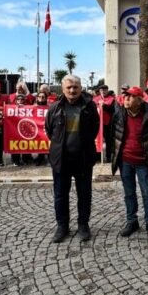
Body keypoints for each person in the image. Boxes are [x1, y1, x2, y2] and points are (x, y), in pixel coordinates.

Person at [44, 74, 100, 243]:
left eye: (75, 87)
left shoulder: (89, 107)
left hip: (83, 159)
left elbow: (94, 129)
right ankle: (62, 226)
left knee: (84, 194)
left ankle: (83, 225)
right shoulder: (54, 108)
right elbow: (49, 130)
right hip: (61, 160)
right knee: (60, 195)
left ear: (81, 88)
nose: (72, 90)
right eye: (68, 87)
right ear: (63, 89)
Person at [111, 86, 148, 238]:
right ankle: (131, 221)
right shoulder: (119, 113)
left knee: (147, 192)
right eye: (125, 96)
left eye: (131, 96)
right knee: (129, 193)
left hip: (143, 161)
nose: (126, 99)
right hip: (125, 160)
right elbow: (113, 134)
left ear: (139, 100)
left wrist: (146, 149)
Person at [93, 85, 116, 162]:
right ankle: (97, 156)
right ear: (99, 91)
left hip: (107, 123)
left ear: (107, 90)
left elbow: (113, 110)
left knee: (108, 140)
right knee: (97, 139)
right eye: (102, 90)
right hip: (97, 123)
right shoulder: (95, 99)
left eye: (105, 90)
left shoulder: (111, 99)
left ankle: (108, 156)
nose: (103, 91)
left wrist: (105, 106)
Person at [10, 94, 33, 166]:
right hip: (14, 129)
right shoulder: (11, 108)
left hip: (25, 128)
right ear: (16, 101)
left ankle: (25, 159)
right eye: (18, 99)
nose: (20, 101)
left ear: (24, 100)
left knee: (25, 143)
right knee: (15, 143)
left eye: (22, 99)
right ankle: (15, 160)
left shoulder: (29, 108)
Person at [33, 91, 50, 166]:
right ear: (37, 98)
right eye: (40, 97)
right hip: (37, 128)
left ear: (46, 98)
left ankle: (49, 158)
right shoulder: (33, 107)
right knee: (40, 142)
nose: (41, 99)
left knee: (48, 143)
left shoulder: (50, 107)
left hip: (46, 127)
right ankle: (40, 157)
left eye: (43, 97)